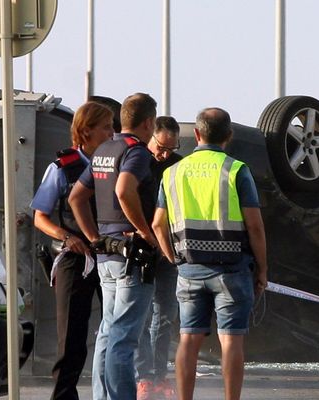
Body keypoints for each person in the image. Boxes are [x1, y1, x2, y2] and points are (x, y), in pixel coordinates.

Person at [152, 107, 268, 400]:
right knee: (231, 341)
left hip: (189, 269)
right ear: (229, 136)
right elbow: (254, 226)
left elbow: (157, 223)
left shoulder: (172, 172)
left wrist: (172, 257)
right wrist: (263, 269)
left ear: (198, 134)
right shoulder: (237, 170)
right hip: (231, 269)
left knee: (188, 340)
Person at [68, 93, 159, 400]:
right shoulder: (137, 152)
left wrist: (94, 237)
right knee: (124, 336)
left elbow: (76, 197)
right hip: (131, 256)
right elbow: (124, 190)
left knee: (108, 332)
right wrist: (146, 232)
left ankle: (101, 396)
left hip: (107, 253)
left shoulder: (104, 149)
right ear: (149, 122)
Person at [31, 101, 115, 400]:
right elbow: (40, 216)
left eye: (112, 126)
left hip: (111, 256)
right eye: (106, 127)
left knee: (115, 330)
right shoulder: (61, 168)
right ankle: (63, 395)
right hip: (75, 258)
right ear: (86, 131)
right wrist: (66, 237)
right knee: (72, 337)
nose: (111, 133)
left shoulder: (114, 163)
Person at [135, 116, 182, 400]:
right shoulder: (138, 160)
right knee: (141, 314)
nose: (163, 154)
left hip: (168, 249)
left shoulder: (178, 165)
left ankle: (160, 374)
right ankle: (144, 376)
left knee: (166, 314)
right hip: (141, 246)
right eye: (160, 147)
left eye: (170, 149)